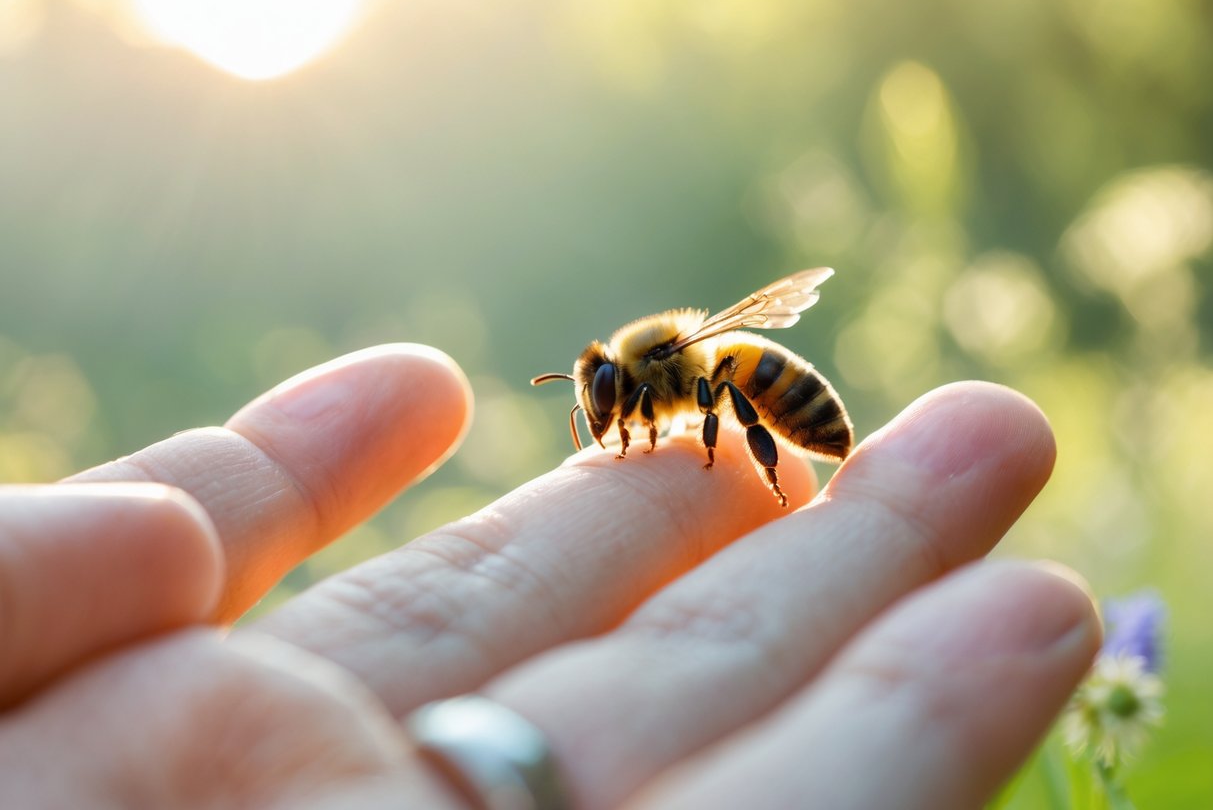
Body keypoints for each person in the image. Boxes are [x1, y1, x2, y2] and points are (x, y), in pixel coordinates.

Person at [0, 343, 1099, 809]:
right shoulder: (654, 381)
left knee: (748, 416)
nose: (611, 416)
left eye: (613, 403)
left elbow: (712, 391)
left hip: (764, 420)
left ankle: (776, 471)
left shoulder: (684, 380)